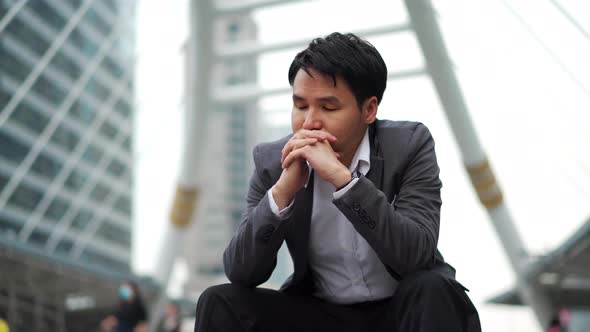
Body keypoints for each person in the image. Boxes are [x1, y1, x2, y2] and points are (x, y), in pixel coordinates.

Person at [194, 32, 481, 332]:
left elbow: (415, 255)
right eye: (301, 106)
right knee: (219, 301)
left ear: (369, 110)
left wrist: (345, 182)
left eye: (328, 108)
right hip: (320, 315)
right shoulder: (271, 162)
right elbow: (242, 272)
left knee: (434, 287)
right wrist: (282, 192)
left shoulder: (409, 145)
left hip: (401, 312)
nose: (309, 122)